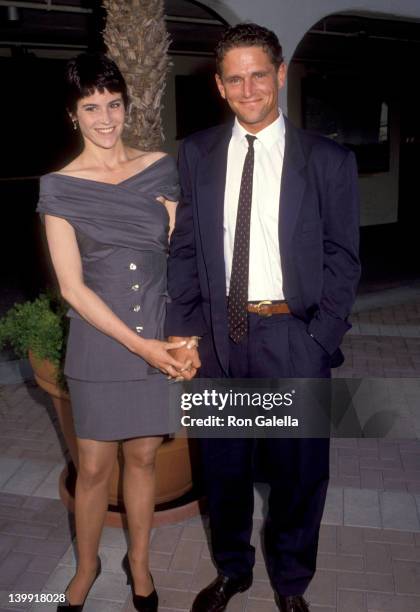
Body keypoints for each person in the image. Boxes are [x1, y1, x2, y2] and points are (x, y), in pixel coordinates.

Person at [166, 23, 361, 612]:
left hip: (292, 336)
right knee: (223, 468)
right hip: (220, 339)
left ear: (279, 74)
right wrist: (184, 332)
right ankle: (232, 570)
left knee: (299, 473)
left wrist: (319, 339)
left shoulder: (328, 160)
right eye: (235, 78)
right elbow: (185, 251)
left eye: (259, 74)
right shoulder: (197, 154)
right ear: (220, 87)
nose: (248, 88)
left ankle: (292, 581)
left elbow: (343, 259)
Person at [37, 53, 189, 612]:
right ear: (73, 115)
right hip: (101, 341)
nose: (105, 118)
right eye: (91, 107)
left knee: (144, 458)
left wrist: (178, 335)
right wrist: (142, 345)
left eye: (114, 104)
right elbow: (72, 289)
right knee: (95, 466)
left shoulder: (159, 168)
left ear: (128, 106)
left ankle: (141, 565)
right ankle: (86, 566)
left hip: (158, 327)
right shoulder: (57, 188)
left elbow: (182, 255)